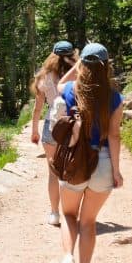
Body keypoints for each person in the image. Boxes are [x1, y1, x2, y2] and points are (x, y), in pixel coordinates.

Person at [54, 42, 123, 263]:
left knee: (68, 214)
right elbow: (114, 136)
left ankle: (66, 257)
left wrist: (77, 65)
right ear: (106, 67)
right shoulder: (115, 97)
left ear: (83, 64)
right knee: (88, 222)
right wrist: (116, 171)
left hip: (75, 162)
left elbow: (59, 84)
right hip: (102, 162)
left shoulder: (71, 90)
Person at [30, 40, 77, 226]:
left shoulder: (44, 77)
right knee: (73, 169)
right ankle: (71, 213)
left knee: (53, 173)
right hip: (74, 125)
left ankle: (54, 213)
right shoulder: (78, 74)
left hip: (51, 125)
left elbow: (37, 108)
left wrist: (34, 131)